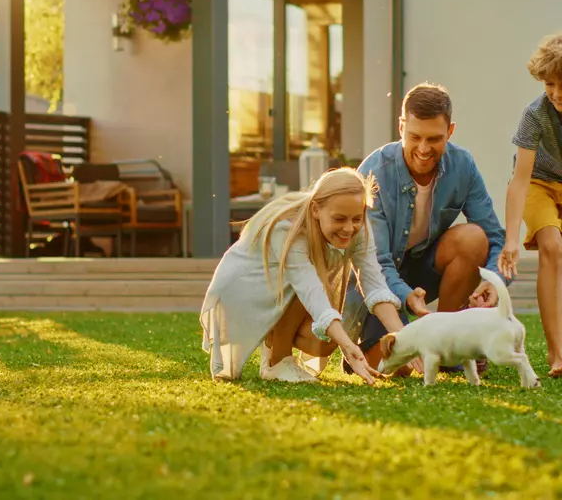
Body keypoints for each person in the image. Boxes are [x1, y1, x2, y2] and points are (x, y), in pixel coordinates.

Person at [200, 168, 420, 386]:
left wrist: (406, 340)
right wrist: (348, 345)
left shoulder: (357, 227)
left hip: (281, 290)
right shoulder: (288, 228)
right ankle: (278, 361)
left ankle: (273, 339)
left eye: (357, 218)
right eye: (340, 219)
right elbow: (309, 290)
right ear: (315, 209)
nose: (349, 228)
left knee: (324, 344)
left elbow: (375, 286)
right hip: (243, 291)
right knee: (311, 300)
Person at [343, 83, 508, 372]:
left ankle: (446, 342)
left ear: (451, 131)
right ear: (401, 126)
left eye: (434, 139)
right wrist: (406, 295)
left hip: (424, 267)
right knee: (396, 366)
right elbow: (376, 263)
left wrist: (494, 282)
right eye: (414, 136)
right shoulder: (374, 171)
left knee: (473, 238)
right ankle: (374, 346)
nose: (423, 149)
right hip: (376, 280)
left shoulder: (463, 166)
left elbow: (495, 237)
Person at [499, 32, 562, 378]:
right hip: (539, 183)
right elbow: (520, 180)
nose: (556, 93)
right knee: (551, 246)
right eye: (550, 84)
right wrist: (511, 239)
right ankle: (557, 355)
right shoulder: (535, 115)